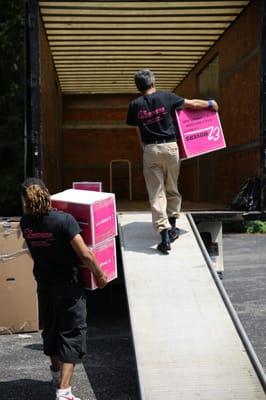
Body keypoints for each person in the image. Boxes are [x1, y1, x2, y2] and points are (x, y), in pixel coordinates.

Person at [20, 177, 108, 400]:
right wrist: (100, 274)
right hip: (68, 287)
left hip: (45, 286)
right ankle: (64, 391)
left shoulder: (26, 222)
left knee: (50, 330)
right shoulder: (64, 220)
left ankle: (56, 375)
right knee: (72, 333)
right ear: (47, 194)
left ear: (25, 200)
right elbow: (86, 253)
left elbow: (31, 251)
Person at [127, 68, 218, 254]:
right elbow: (192, 104)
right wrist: (210, 103)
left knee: (156, 193)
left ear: (138, 87)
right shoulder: (166, 97)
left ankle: (165, 236)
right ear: (153, 82)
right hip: (170, 147)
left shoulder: (134, 105)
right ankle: (174, 226)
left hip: (150, 149)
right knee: (172, 187)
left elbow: (137, 130)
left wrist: (144, 147)